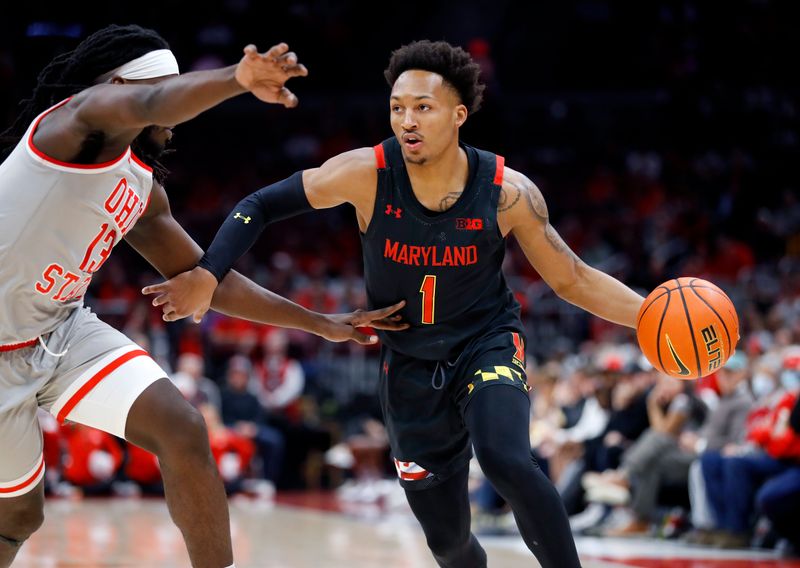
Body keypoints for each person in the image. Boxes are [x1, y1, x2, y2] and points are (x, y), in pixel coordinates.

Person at [147, 40, 646, 568]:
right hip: (407, 363)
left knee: (506, 459)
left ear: (458, 115)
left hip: (485, 342)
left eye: (423, 108)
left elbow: (571, 278)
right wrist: (208, 272)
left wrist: (648, 316)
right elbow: (260, 205)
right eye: (397, 107)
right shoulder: (365, 173)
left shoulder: (507, 192)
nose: (407, 120)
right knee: (449, 543)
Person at [0, 24, 406, 568]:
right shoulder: (75, 121)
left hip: (60, 328)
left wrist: (319, 322)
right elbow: (151, 99)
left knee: (184, 427)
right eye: (169, 88)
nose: (176, 106)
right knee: (20, 518)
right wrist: (237, 79)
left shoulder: (142, 189)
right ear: (120, 87)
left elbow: (210, 279)